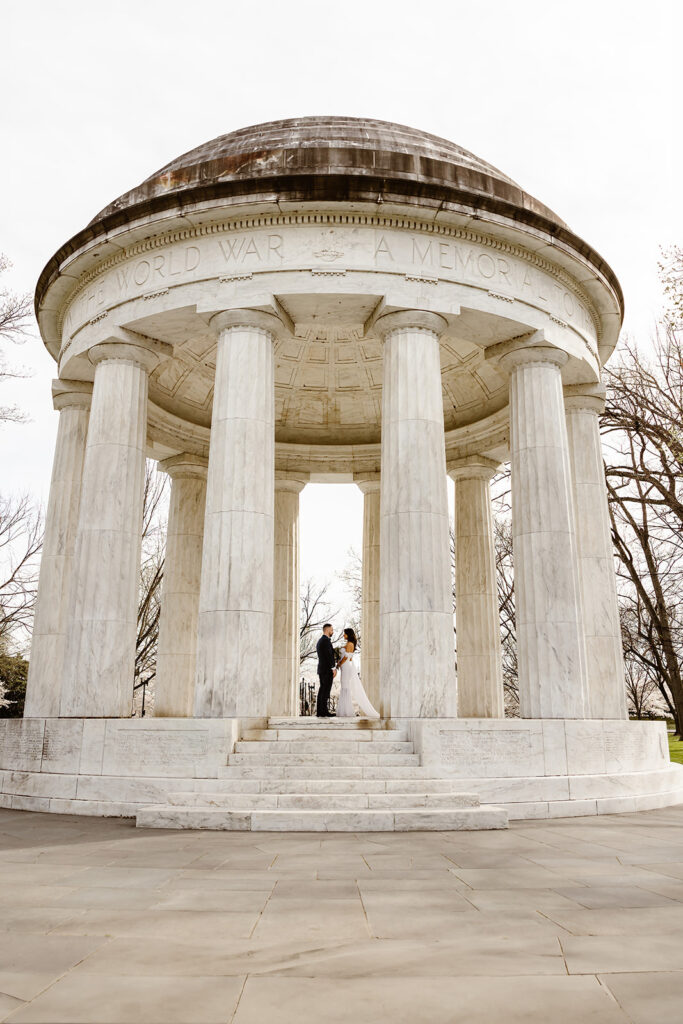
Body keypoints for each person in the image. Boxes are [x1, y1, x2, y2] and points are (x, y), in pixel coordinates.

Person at [336, 627, 380, 719]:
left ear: (348, 634)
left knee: (345, 687)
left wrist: (339, 664)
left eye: (344, 633)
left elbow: (346, 657)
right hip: (347, 665)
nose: (343, 635)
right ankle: (344, 710)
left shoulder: (349, 644)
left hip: (346, 665)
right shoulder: (350, 644)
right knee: (345, 686)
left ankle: (346, 711)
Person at [316, 623, 337, 718]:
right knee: (325, 691)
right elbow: (329, 656)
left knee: (322, 690)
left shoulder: (321, 641)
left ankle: (320, 711)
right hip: (326, 670)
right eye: (332, 630)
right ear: (327, 630)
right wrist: (333, 668)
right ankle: (324, 712)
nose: (332, 632)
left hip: (321, 669)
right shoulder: (325, 641)